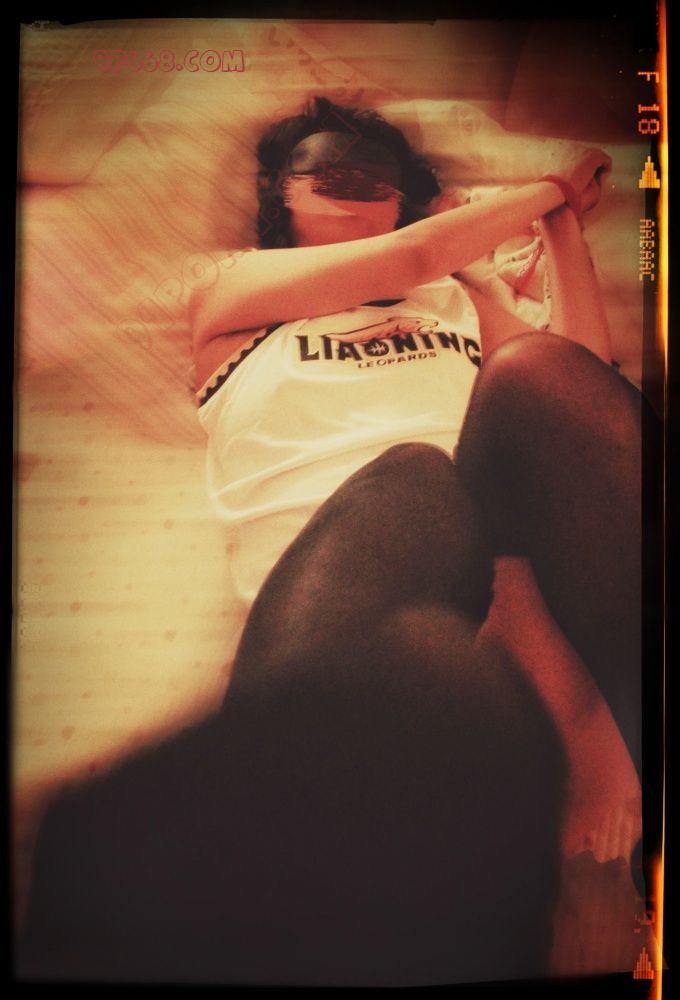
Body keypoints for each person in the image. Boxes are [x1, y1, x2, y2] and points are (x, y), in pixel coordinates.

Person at [17, 96, 653, 987]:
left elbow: (580, 388)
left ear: (404, 197)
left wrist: (563, 228)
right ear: (280, 195)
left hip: (502, 556)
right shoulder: (233, 288)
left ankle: (594, 715)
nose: (356, 184)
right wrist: (548, 187)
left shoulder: (459, 298)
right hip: (344, 600)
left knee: (533, 377)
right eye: (328, 172)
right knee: (416, 500)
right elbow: (414, 254)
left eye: (378, 178)